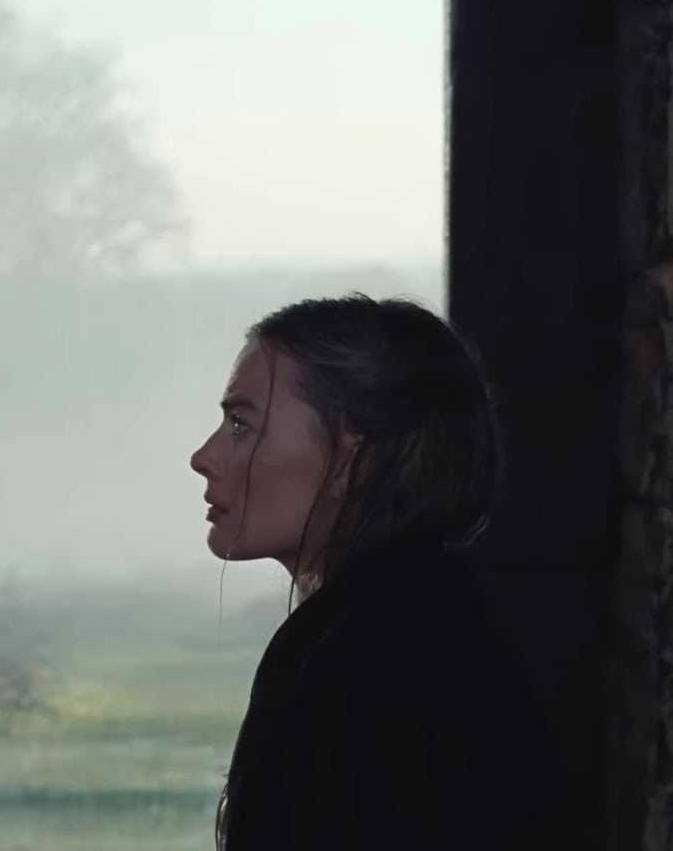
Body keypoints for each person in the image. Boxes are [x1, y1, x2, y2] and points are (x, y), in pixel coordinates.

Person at [190, 295, 575, 850]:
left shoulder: (359, 666)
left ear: (351, 461)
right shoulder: (434, 625)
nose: (204, 457)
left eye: (240, 425)